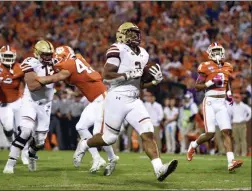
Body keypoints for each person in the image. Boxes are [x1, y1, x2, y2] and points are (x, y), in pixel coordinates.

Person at [72, 22, 177, 181]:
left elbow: (139, 83)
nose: (135, 36)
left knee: (148, 132)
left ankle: (159, 169)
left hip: (134, 99)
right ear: (121, 35)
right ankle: (85, 144)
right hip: (117, 98)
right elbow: (107, 75)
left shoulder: (143, 53)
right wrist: (128, 74)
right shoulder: (117, 49)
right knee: (109, 138)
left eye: (136, 33)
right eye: (130, 33)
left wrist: (154, 82)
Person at [35, 45, 118, 173]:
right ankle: (97, 158)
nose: (58, 62)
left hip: (102, 100)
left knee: (98, 135)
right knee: (81, 127)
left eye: (60, 59)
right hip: (96, 100)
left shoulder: (69, 65)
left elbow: (55, 78)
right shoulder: (77, 58)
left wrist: (37, 79)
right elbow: (72, 77)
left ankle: (112, 158)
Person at [187, 42, 243, 171]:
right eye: (215, 51)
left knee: (226, 131)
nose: (217, 54)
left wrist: (228, 93)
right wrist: (211, 82)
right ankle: (193, 145)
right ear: (210, 53)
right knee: (210, 134)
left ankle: (231, 162)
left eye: (219, 51)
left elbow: (226, 81)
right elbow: (197, 87)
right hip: (210, 102)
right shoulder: (205, 66)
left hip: (222, 102)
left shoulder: (228, 66)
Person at [3, 40, 55, 173]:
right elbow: (32, 86)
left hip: (46, 105)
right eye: (45, 54)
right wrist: (56, 77)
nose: (48, 57)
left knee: (40, 142)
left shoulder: (57, 63)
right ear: (37, 53)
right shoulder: (31, 62)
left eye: (50, 54)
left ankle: (31, 155)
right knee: (26, 131)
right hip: (30, 102)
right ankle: (10, 163)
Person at [0, 45, 29, 164]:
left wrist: (25, 95)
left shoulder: (19, 67)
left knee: (22, 128)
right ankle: (12, 144)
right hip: (2, 101)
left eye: (10, 55)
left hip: (17, 100)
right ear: (1, 55)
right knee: (8, 128)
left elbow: (27, 82)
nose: (8, 58)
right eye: (6, 55)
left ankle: (24, 153)